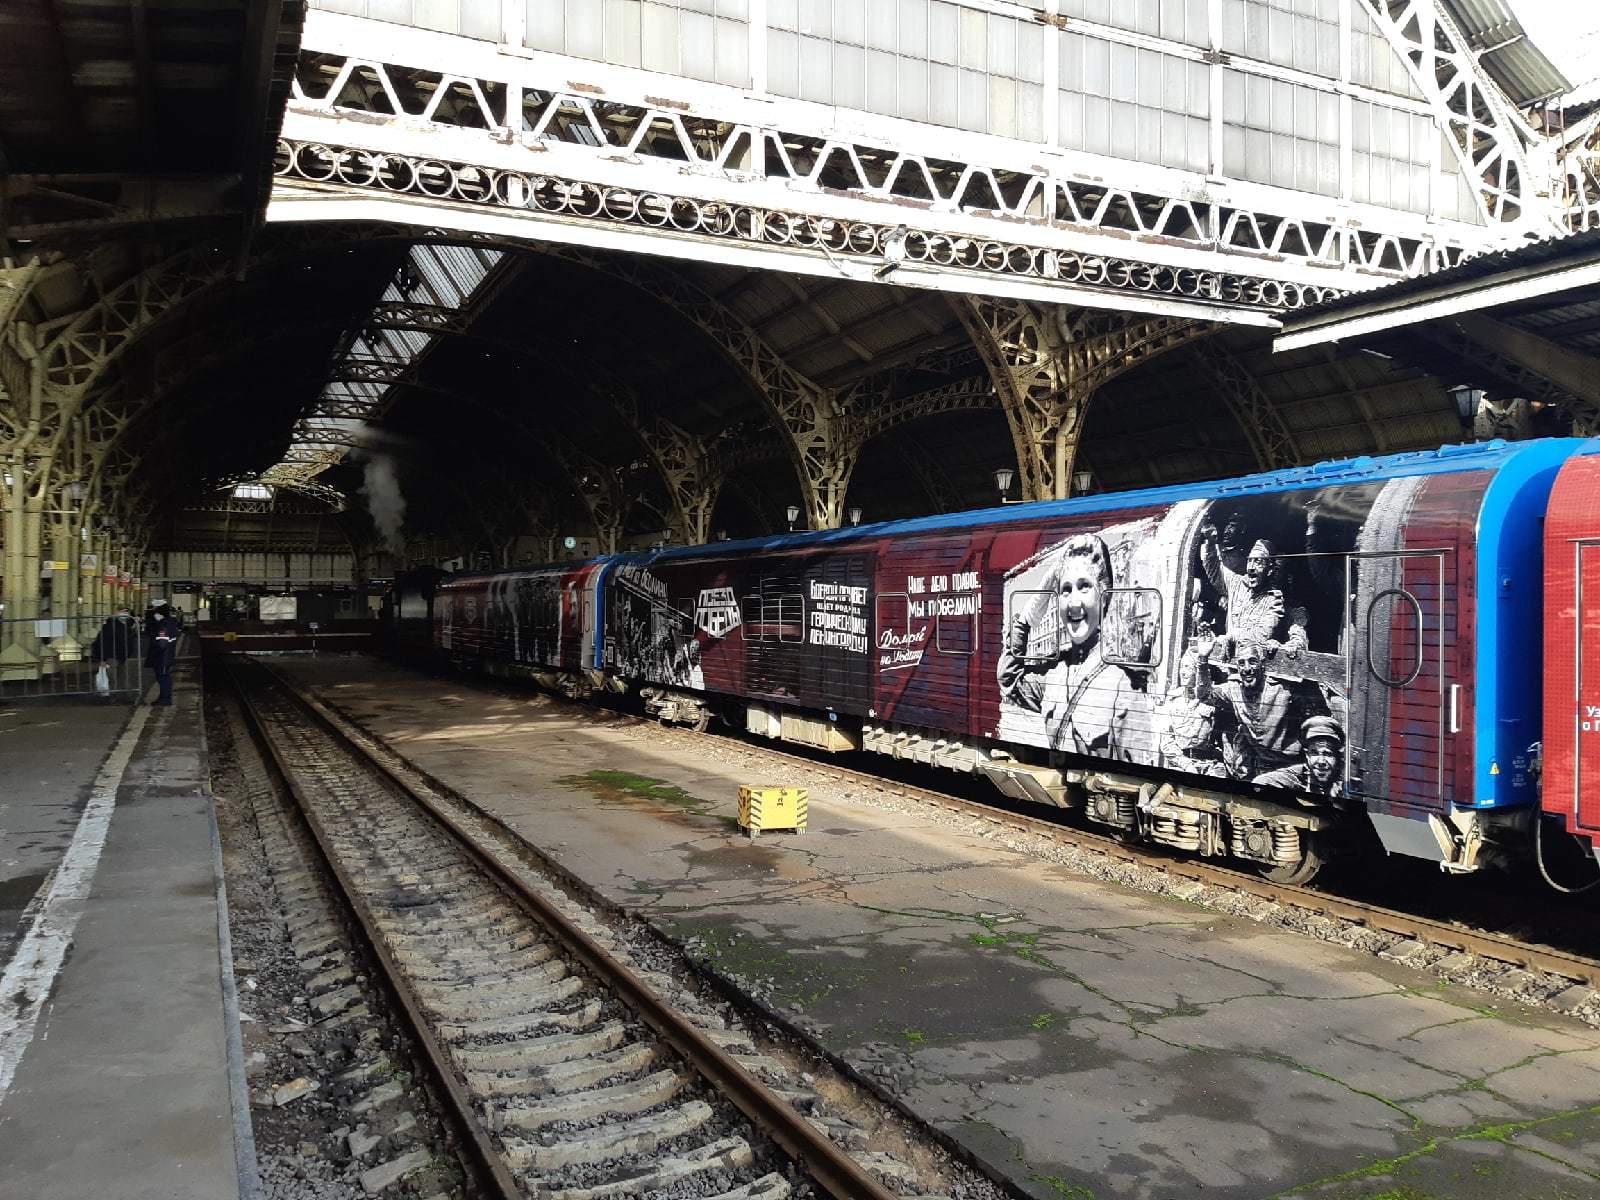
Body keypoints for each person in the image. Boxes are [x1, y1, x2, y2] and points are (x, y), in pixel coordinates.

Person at [998, 532, 1144, 759]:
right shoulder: (1054, 673)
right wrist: (1026, 619)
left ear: (1103, 597)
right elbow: (1008, 679)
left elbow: (1137, 766)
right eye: (1066, 590)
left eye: (1084, 587)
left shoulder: (1123, 683)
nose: (1073, 603)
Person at [1196, 636, 1311, 780]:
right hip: (1259, 766)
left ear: (1262, 664)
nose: (1247, 669)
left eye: (1252, 662)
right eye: (1241, 663)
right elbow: (1205, 696)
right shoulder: (1234, 689)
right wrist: (1202, 659)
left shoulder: (1283, 688)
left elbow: (1312, 710)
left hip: (1289, 766)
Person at [1198, 523, 1309, 658]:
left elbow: (1261, 634)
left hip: (1252, 668)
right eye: (1250, 561)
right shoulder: (1236, 583)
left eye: (1258, 562)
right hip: (1229, 664)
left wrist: (1232, 636)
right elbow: (1214, 568)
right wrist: (1210, 542)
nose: (1251, 567)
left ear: (1270, 570)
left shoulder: (1274, 600)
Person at [1253, 715, 1345, 798]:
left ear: (1336, 757)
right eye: (1314, 753)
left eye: (1327, 754)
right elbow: (1261, 782)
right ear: (1307, 755)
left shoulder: (1344, 778)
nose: (1321, 761)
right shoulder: (1300, 774)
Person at [145, 604, 181, 706]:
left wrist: (154, 653)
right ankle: (163, 698)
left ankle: (165, 700)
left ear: (160, 614)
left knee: (163, 678)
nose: (155, 615)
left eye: (156, 613)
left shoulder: (163, 625)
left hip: (162, 657)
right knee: (164, 678)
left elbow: (162, 643)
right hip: (167, 655)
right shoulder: (170, 623)